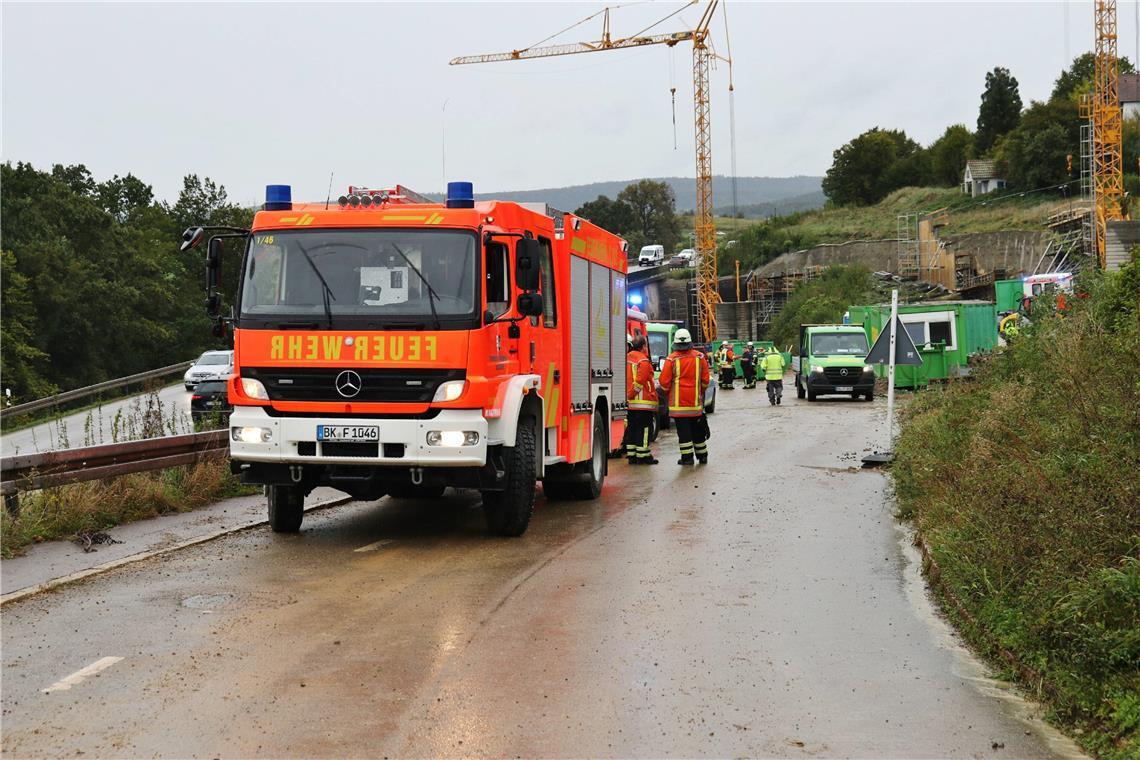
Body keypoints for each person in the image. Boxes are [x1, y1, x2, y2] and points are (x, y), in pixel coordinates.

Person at [659, 328, 711, 465]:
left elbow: (664, 383)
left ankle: (687, 458)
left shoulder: (671, 359)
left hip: (678, 406)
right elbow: (706, 380)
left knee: (684, 433)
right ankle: (702, 456)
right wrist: (700, 393)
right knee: (697, 430)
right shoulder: (700, 357)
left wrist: (667, 393)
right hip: (695, 404)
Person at [625, 335, 659, 465]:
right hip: (642, 402)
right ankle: (643, 456)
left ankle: (632, 455)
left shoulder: (626, 358)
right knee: (644, 428)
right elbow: (640, 381)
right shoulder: (643, 361)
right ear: (643, 346)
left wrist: (628, 397)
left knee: (632, 428)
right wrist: (632, 394)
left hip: (631, 404)